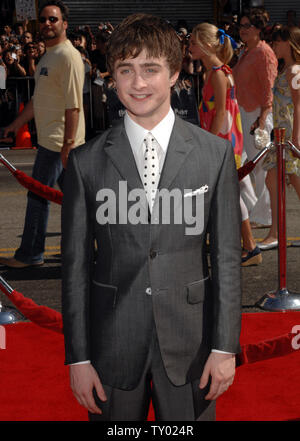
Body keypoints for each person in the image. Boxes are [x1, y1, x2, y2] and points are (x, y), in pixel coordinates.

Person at [61, 13, 242, 421]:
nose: (138, 83)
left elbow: (228, 258)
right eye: (126, 70)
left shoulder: (213, 156)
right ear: (112, 76)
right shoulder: (86, 163)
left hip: (193, 346)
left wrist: (224, 347)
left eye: (150, 69)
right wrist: (78, 357)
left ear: (175, 72)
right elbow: (73, 267)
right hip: (111, 346)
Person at [0, 0, 85, 269]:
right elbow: (38, 101)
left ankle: (30, 254)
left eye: (54, 19)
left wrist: (68, 145)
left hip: (59, 143)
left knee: (38, 198)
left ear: (65, 24)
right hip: (52, 142)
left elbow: (74, 105)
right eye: (44, 19)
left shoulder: (68, 57)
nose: (48, 24)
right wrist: (16, 124)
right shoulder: (48, 56)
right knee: (77, 204)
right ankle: (98, 249)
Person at [189, 22, 261, 266]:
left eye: (193, 43)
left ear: (207, 45)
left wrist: (208, 143)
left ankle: (250, 247)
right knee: (227, 195)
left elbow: (220, 113)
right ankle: (244, 245)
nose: (189, 47)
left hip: (222, 144)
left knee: (229, 195)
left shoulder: (218, 74)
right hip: (223, 142)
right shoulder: (216, 72)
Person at [232, 8, 278, 228]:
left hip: (257, 114)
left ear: (258, 28)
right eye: (241, 26)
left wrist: (262, 118)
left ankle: (266, 216)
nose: (242, 30)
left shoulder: (263, 52)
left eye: (247, 25)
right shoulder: (246, 51)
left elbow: (269, 87)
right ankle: (254, 211)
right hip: (243, 114)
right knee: (242, 166)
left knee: (261, 168)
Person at [260, 26, 300, 249]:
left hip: (288, 137)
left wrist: (296, 138)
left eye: (277, 41)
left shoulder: (295, 70)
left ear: (288, 42)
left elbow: (298, 104)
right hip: (281, 136)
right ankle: (275, 232)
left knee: (288, 181)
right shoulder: (288, 69)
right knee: (273, 180)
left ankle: (276, 233)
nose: (273, 45)